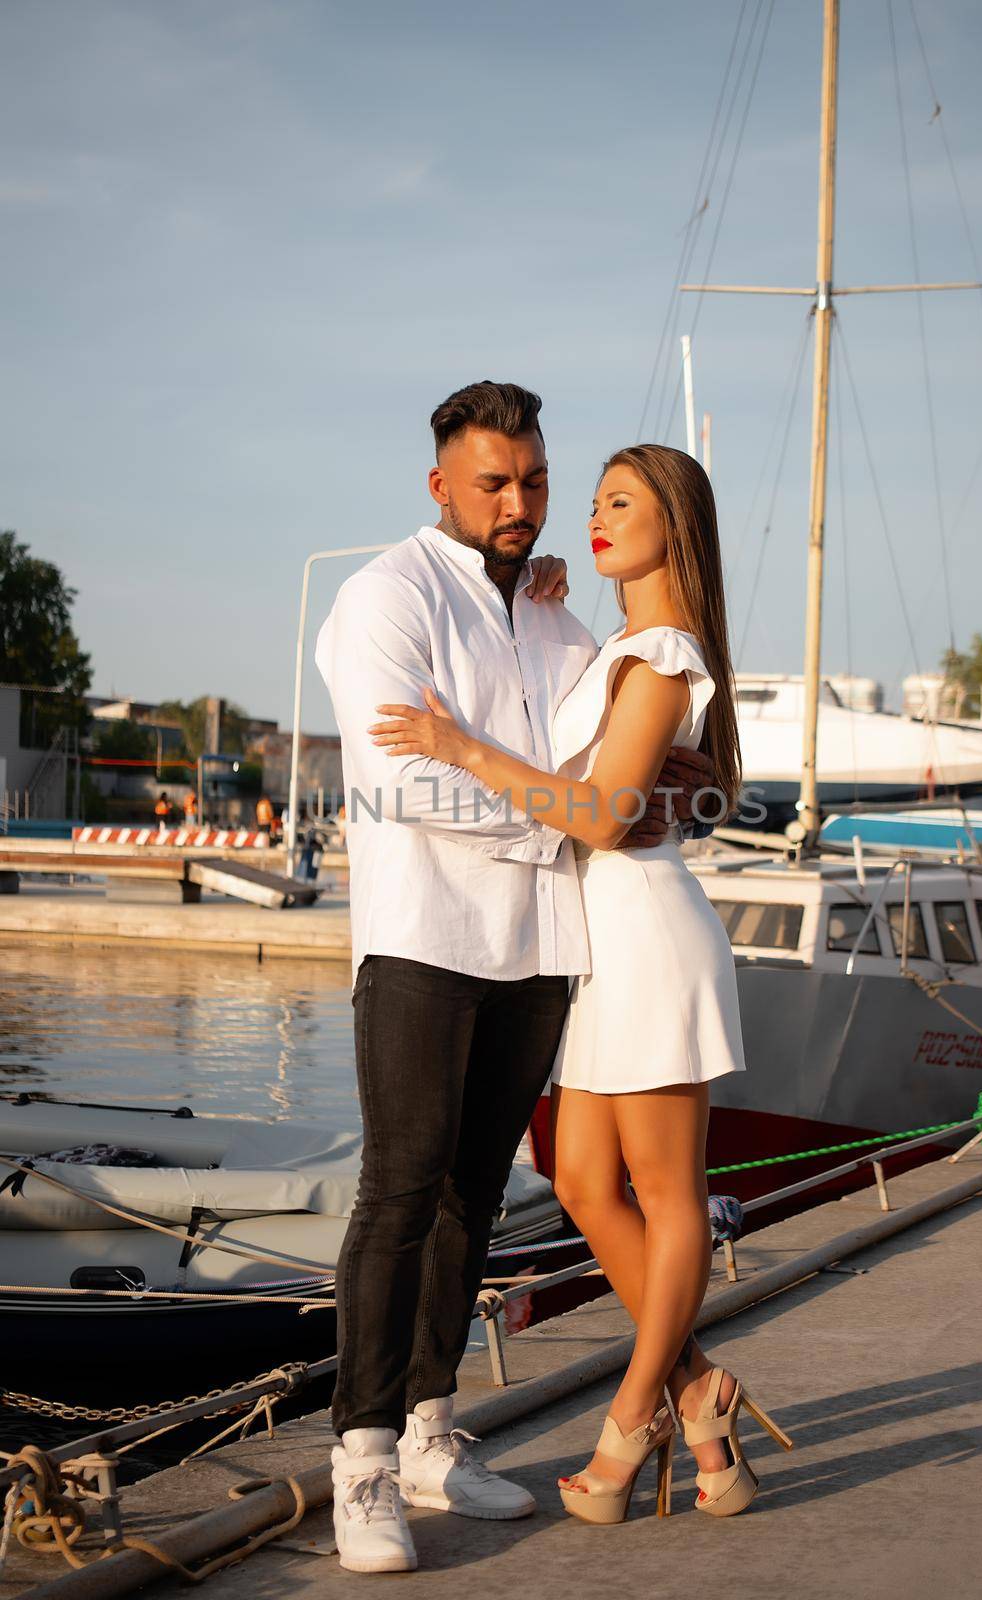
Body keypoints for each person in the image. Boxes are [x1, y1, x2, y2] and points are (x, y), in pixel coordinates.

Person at [315, 383, 716, 1574]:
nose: (519, 503)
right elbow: (398, 784)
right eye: (494, 482)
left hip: (547, 948)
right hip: (426, 938)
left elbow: (640, 764)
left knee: (472, 1198)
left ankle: (436, 1432)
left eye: (533, 480)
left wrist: (667, 798)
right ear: (439, 481)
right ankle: (364, 1462)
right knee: (396, 1193)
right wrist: (572, 826)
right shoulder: (383, 595)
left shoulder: (556, 617)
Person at [371, 442, 793, 1532]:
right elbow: (615, 789)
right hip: (600, 938)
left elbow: (601, 815)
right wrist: (548, 606)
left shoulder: (661, 653)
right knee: (576, 1176)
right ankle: (699, 1396)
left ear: (676, 525)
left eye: (622, 502)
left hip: (645, 933)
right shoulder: (617, 643)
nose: (595, 518)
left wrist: (460, 746)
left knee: (663, 1190)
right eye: (593, 500)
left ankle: (630, 1419)